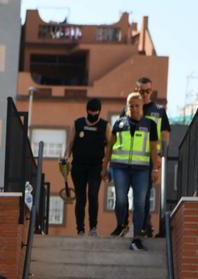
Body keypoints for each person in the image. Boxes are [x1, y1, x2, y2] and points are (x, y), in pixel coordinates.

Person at [105, 93, 161, 251]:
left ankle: (136, 238)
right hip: (119, 168)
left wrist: (155, 168)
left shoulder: (150, 124)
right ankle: (122, 225)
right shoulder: (119, 124)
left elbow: (153, 149)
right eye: (131, 105)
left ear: (142, 106)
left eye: (137, 105)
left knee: (140, 203)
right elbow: (109, 147)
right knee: (121, 200)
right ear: (127, 106)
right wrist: (105, 168)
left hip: (141, 170)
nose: (134, 108)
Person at [63, 98, 110, 236]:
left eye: (95, 113)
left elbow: (109, 147)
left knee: (93, 195)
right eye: (90, 112)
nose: (93, 115)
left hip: (96, 167)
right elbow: (70, 143)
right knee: (81, 198)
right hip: (78, 166)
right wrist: (66, 157)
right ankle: (80, 229)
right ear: (86, 111)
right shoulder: (78, 123)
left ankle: (93, 228)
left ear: (99, 112)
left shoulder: (105, 126)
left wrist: (107, 166)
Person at [136, 77, 171, 237]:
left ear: (151, 91)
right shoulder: (131, 108)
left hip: (151, 159)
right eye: (141, 91)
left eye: (148, 91)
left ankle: (145, 226)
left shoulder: (158, 110)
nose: (144, 94)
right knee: (134, 195)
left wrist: (161, 155)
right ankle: (140, 225)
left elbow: (165, 134)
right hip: (133, 159)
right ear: (136, 91)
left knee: (144, 193)